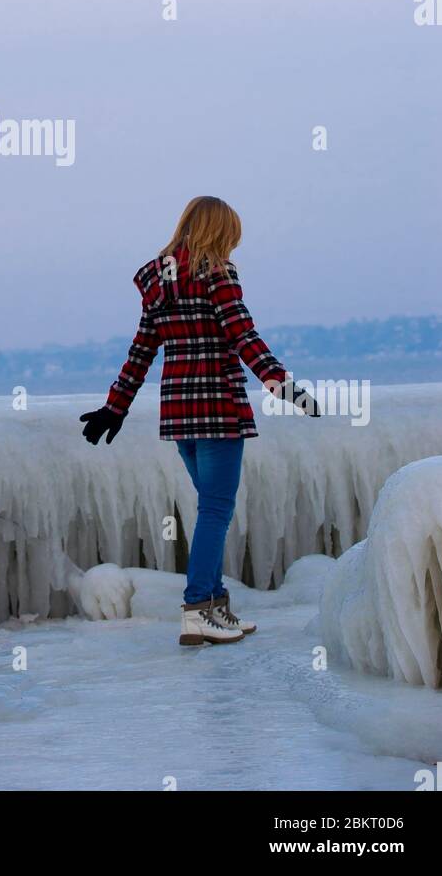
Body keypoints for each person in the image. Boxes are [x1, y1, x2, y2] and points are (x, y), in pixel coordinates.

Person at [79, 195, 318, 647]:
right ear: (220, 231)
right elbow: (243, 336)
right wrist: (284, 386)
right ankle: (196, 610)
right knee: (216, 510)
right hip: (218, 407)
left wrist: (116, 406)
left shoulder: (159, 279)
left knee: (210, 509)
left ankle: (215, 607)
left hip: (179, 412)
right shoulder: (217, 275)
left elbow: (142, 349)